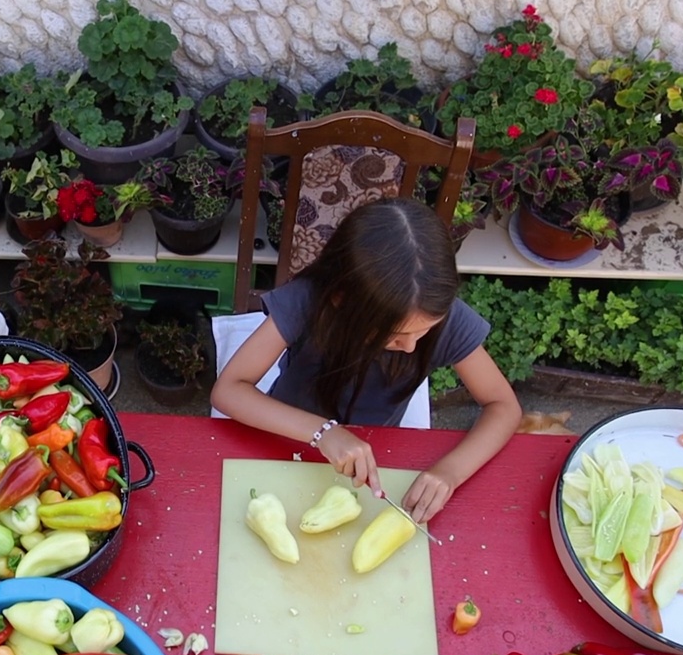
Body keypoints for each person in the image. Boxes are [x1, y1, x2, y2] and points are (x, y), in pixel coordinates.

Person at [211, 197, 521, 523]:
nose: (412, 347)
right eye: (395, 336)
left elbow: (503, 406)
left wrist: (450, 472)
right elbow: (229, 390)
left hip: (379, 448)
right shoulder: (307, 300)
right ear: (341, 300)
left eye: (424, 332)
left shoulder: (441, 318)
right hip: (284, 433)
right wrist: (323, 432)